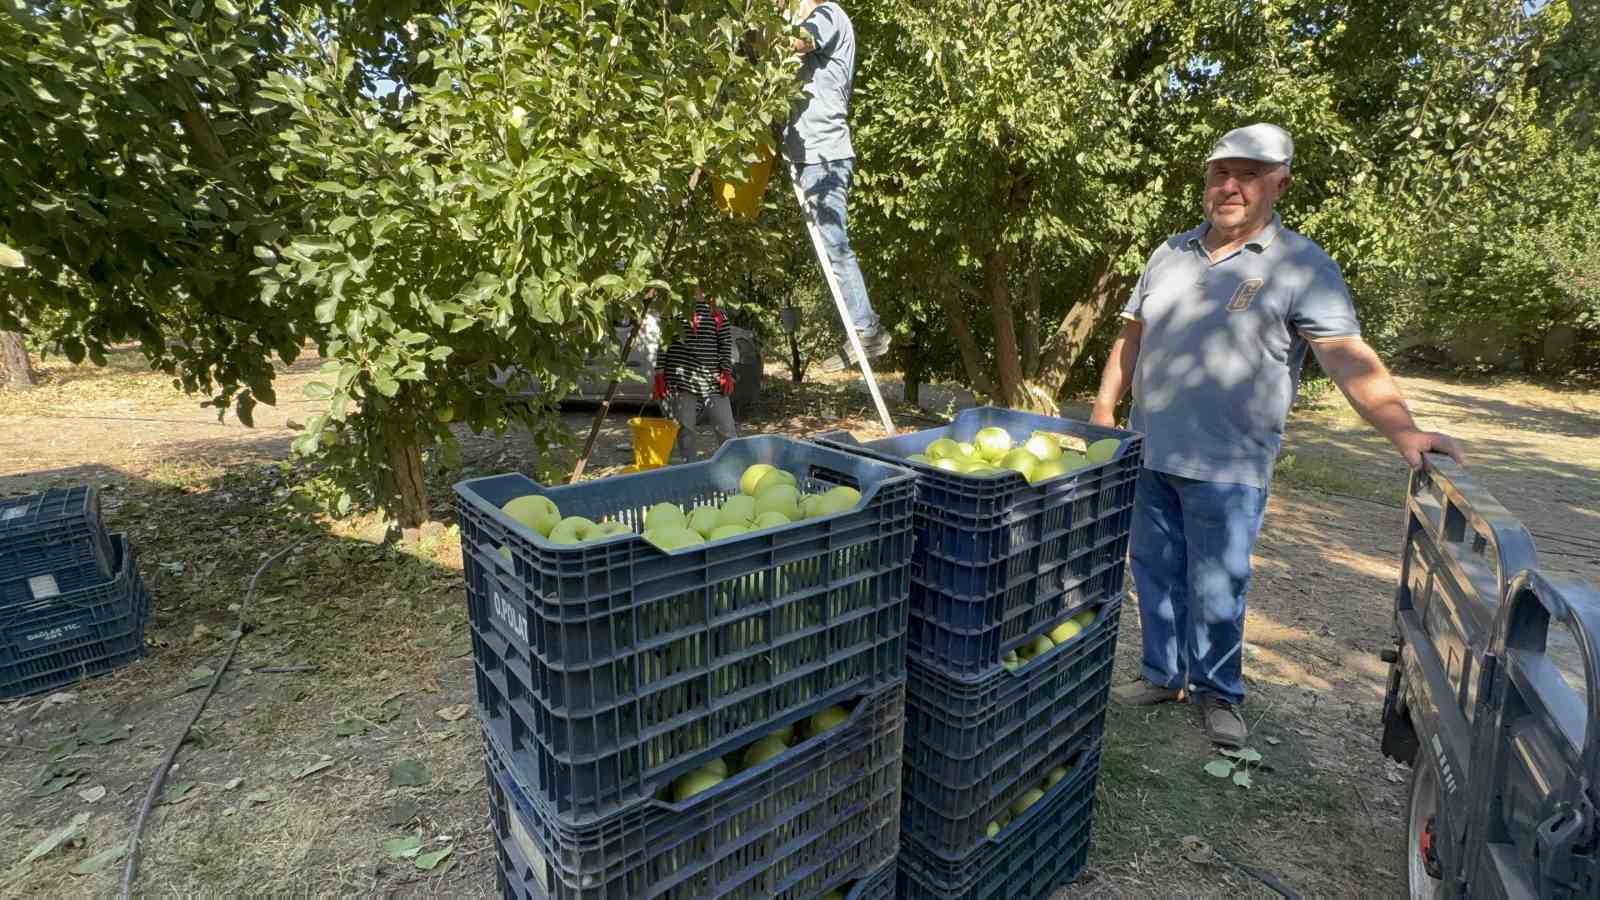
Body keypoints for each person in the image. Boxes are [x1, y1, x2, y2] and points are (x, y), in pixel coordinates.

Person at [1090, 123, 1464, 748]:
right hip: (1149, 452)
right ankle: (1163, 674)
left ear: (1279, 183)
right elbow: (1132, 336)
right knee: (1153, 573)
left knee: (1218, 586)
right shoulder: (1168, 254)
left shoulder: (1301, 265)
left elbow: (1345, 354)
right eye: (1219, 172)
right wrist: (1104, 413)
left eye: (1248, 173)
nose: (1229, 185)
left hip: (1231, 466)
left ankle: (1218, 693)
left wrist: (1405, 431)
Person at [783, 0, 888, 373]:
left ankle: (867, 330)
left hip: (825, 157)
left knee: (835, 246)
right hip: (809, 158)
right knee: (830, 249)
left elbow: (802, 40)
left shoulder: (827, 14)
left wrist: (765, 34)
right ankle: (863, 327)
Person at [653, 291, 738, 463]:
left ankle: (734, 467)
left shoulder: (716, 309)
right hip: (681, 377)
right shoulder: (672, 307)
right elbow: (664, 342)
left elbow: (725, 342)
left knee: (727, 429)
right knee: (686, 430)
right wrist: (659, 374)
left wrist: (726, 372)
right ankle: (689, 469)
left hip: (712, 378)